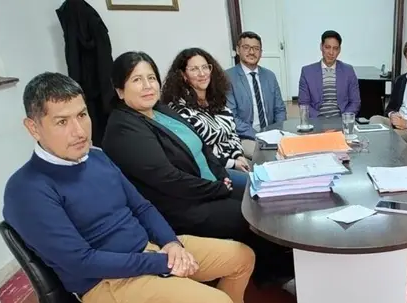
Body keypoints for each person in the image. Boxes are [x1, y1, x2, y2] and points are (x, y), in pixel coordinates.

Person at [3, 72, 293, 303]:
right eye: (62, 121)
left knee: (241, 256)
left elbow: (141, 206)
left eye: (82, 115)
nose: (79, 131)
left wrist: (171, 245)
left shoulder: (96, 157)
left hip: (149, 251)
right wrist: (162, 263)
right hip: (106, 283)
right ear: (34, 128)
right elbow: (82, 261)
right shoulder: (28, 190)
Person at [101, 51, 293, 285]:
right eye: (137, 80)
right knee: (252, 215)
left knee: (263, 199)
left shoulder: (160, 110)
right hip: (183, 205)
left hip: (209, 185)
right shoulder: (124, 129)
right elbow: (169, 179)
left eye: (151, 78)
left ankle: (280, 261)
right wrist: (217, 188)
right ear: (120, 90)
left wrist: (220, 174)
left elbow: (202, 146)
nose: (147, 86)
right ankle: (275, 274)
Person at [162, 47, 249, 189]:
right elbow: (199, 150)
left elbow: (232, 133)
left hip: (234, 159)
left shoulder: (216, 99)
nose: (202, 73)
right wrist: (233, 163)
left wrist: (238, 155)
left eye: (205, 67)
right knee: (257, 184)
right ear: (183, 75)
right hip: (212, 169)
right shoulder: (179, 109)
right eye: (194, 69)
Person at [226, 31, 287, 158]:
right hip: (245, 136)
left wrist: (277, 131)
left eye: (256, 48)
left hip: (271, 132)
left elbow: (280, 109)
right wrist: (258, 136)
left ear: (261, 52)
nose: (252, 52)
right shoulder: (228, 77)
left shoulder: (269, 76)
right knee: (266, 155)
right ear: (238, 50)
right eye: (246, 47)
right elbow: (231, 117)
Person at [298, 30, 360, 118]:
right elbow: (303, 104)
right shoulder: (307, 72)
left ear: (339, 50)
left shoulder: (348, 71)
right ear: (321, 47)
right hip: (317, 121)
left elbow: (355, 102)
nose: (331, 52)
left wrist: (345, 118)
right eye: (327, 47)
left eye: (335, 48)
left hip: (341, 120)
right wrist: (320, 120)